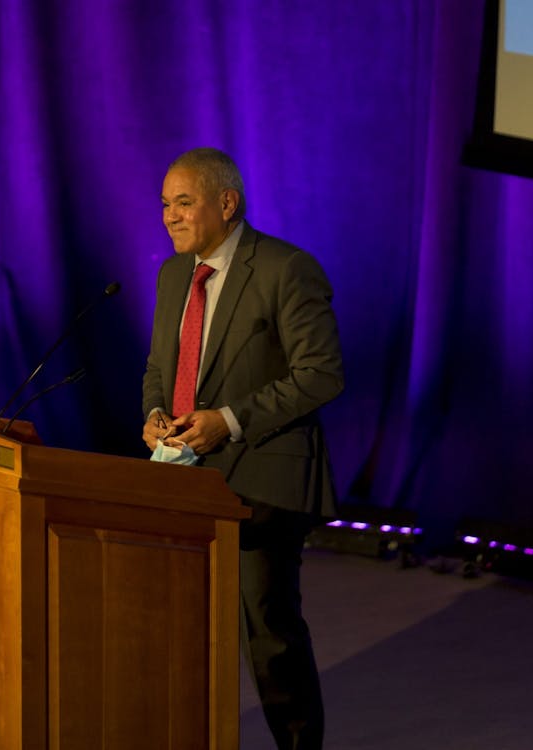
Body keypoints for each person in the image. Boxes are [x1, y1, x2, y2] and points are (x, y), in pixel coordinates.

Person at [141, 147, 344, 750]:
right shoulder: (174, 275)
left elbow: (322, 374)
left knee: (269, 630)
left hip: (263, 480)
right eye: (164, 205)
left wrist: (228, 421)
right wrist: (154, 415)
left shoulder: (286, 269)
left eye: (184, 202)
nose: (170, 217)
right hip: (183, 475)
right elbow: (160, 366)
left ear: (226, 203)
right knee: (181, 626)